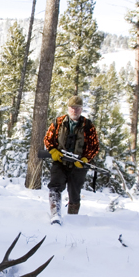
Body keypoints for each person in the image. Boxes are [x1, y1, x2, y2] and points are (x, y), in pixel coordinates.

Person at [44, 95, 99, 224]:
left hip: (78, 164)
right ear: (68, 109)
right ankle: (55, 214)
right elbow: (48, 139)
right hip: (60, 162)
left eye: (78, 108)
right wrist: (53, 151)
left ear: (81, 109)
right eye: (73, 108)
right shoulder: (58, 123)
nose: (75, 111)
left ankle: (72, 220)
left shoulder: (88, 126)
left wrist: (86, 158)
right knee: (55, 187)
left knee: (74, 192)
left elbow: (94, 146)